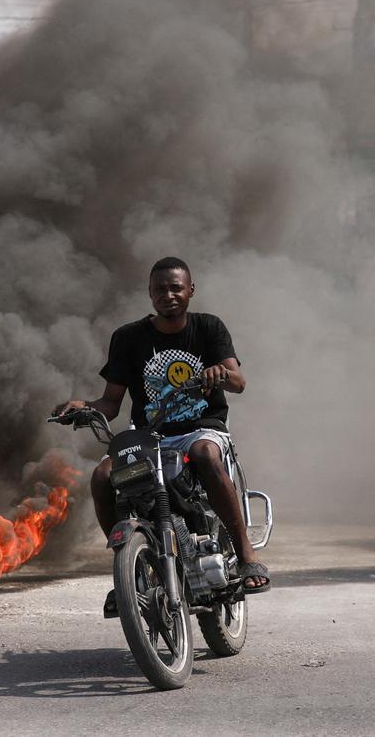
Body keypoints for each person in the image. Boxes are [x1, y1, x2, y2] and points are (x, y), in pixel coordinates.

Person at [54, 257, 270, 614]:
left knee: (204, 453)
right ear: (150, 294)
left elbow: (239, 383)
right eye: (160, 289)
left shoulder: (208, 328)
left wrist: (219, 372)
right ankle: (126, 574)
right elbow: (111, 402)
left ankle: (246, 555)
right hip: (148, 436)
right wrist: (82, 406)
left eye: (176, 288)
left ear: (190, 291)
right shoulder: (128, 338)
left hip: (202, 429)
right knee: (102, 476)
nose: (168, 295)